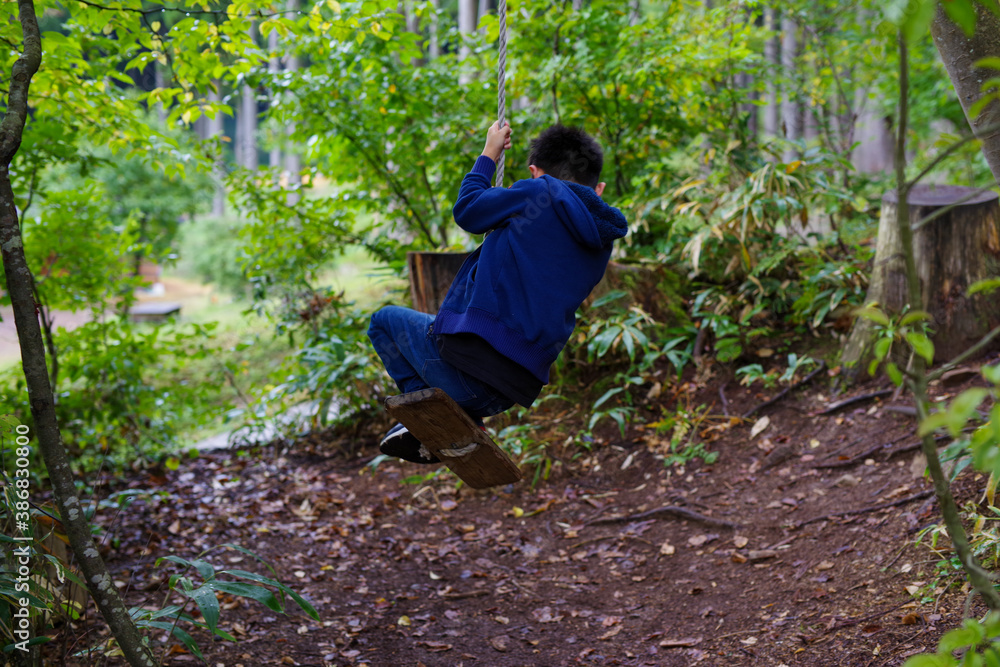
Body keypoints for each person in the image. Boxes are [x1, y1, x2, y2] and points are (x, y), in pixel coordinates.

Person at [367, 121, 628, 463]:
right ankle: (464, 420)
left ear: (536, 173)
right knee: (440, 327)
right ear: (600, 188)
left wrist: (490, 152)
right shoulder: (601, 241)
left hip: (465, 369)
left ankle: (431, 417)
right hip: (509, 392)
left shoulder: (540, 192)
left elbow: (468, 211)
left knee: (382, 321)